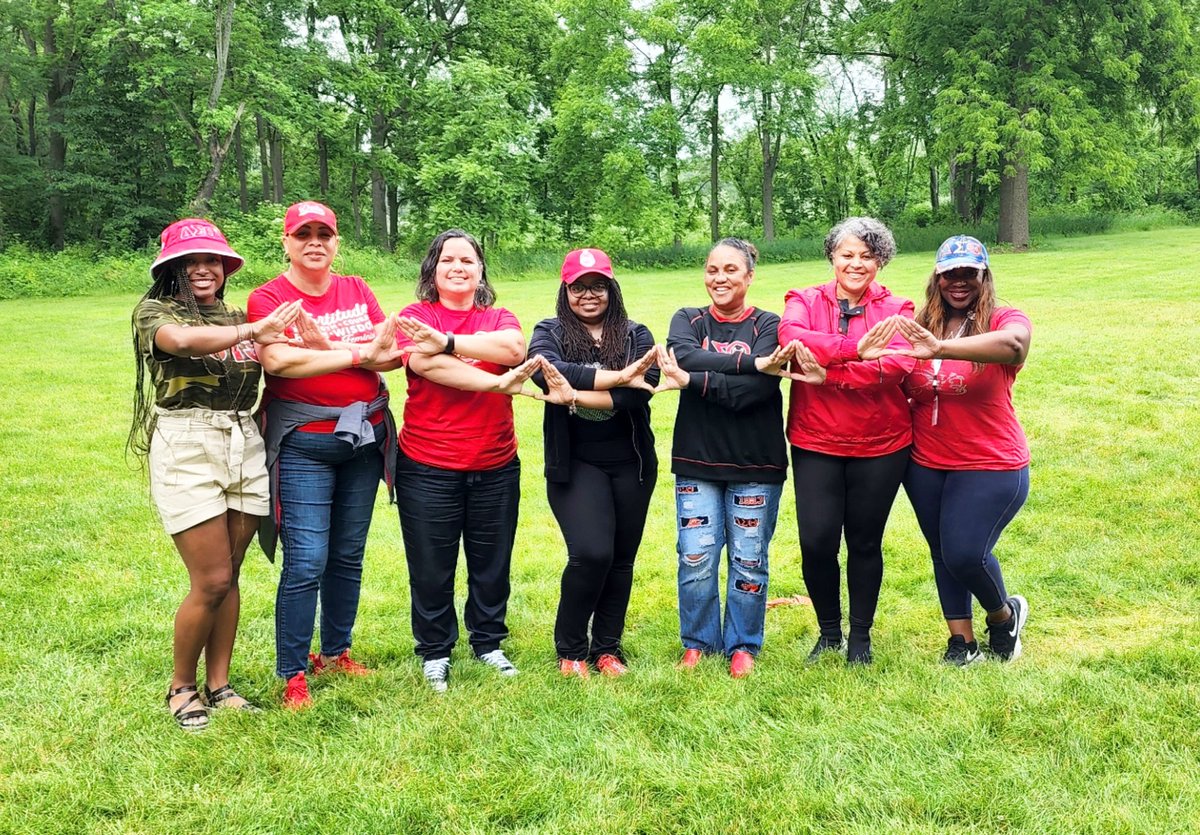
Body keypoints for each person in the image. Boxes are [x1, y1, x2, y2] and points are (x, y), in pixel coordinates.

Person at [130, 218, 301, 730]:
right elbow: (180, 342)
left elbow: (277, 360)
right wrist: (254, 330)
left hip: (242, 438)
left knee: (232, 574)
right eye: (191, 261)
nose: (204, 269)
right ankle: (182, 686)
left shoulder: (234, 312)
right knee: (212, 577)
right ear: (173, 268)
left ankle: (220, 684)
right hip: (187, 441)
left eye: (213, 261)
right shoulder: (154, 312)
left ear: (226, 268)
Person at [247, 201, 404, 709]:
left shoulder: (356, 288)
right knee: (307, 560)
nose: (314, 242)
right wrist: (356, 353)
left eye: (324, 234)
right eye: (303, 234)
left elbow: (395, 354)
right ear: (287, 242)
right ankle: (293, 669)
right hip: (304, 444)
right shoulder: (268, 297)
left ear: (336, 241)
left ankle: (335, 650)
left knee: (347, 554)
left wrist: (321, 346)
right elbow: (279, 361)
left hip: (363, 438)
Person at [392, 229, 539, 693]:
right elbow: (423, 365)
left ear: (480, 272)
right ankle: (435, 651)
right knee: (432, 566)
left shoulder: (498, 315)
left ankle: (488, 642)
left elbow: (513, 350)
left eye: (468, 261)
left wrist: (449, 341)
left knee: (492, 561)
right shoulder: (416, 315)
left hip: (495, 461)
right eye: (448, 260)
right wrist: (497, 383)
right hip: (427, 463)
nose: (458, 267)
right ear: (432, 270)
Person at [873, 236, 1031, 664]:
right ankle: (961, 642)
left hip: (991, 462)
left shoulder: (1003, 317)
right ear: (937, 277)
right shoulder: (919, 321)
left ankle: (1004, 616)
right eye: (949, 274)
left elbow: (1015, 346)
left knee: (966, 552)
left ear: (984, 276)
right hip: (925, 461)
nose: (958, 282)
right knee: (942, 551)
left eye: (968, 273)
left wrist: (940, 348)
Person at [777, 216, 916, 665]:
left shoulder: (899, 308)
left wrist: (828, 375)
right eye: (847, 254)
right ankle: (828, 632)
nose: (856, 264)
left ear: (881, 261)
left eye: (867, 256)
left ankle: (860, 637)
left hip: (881, 444)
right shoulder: (803, 299)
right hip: (815, 440)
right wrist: (855, 351)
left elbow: (899, 366)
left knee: (864, 542)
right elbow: (793, 339)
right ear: (832, 256)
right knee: (817, 541)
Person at [654, 238, 794, 679]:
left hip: (757, 464)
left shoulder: (771, 324)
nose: (720, 278)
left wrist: (694, 381)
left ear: (749, 276)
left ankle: (742, 645)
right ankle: (698, 643)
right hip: (697, 461)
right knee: (695, 558)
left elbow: (759, 391)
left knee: (749, 560)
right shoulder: (687, 318)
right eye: (713, 269)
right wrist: (753, 365)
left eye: (731, 269)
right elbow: (683, 356)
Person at [526, 248, 659, 679]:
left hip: (632, 463)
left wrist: (577, 394)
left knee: (621, 559)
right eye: (578, 286)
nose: (589, 294)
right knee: (591, 553)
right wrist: (619, 376)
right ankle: (570, 648)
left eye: (597, 285)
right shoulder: (550, 330)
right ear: (565, 290)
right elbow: (545, 371)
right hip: (576, 462)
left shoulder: (635, 334)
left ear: (611, 288)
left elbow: (643, 389)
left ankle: (607, 648)